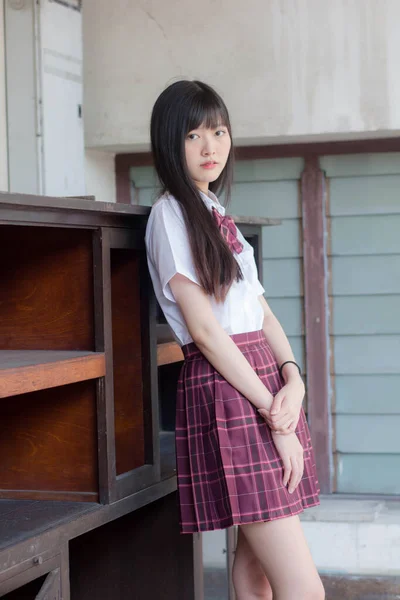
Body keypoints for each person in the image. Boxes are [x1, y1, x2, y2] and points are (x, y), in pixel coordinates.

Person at [145, 80, 325, 600]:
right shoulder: (170, 214)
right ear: (169, 143)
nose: (210, 147)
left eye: (219, 131)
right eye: (194, 135)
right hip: (229, 386)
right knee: (304, 590)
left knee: (255, 574)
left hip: (260, 378)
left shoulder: (216, 214)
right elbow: (204, 330)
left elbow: (261, 312)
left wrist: (294, 377)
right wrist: (275, 412)